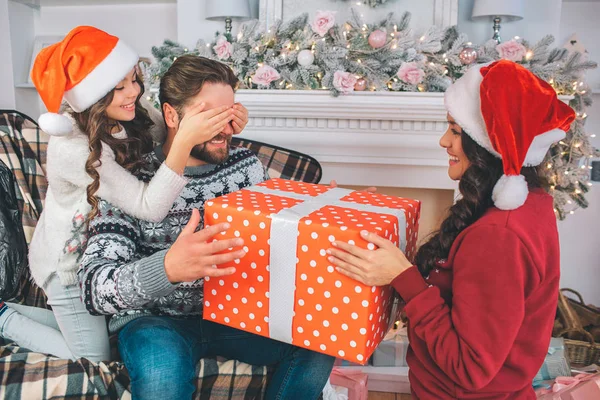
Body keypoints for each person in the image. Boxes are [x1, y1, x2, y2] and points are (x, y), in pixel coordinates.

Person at [78, 54, 335, 400]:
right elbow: (93, 286)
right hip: (156, 322)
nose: (226, 128)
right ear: (171, 116)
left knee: (320, 338)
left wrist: (324, 213)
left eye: (229, 114)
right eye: (210, 115)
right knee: (161, 380)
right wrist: (167, 268)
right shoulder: (130, 179)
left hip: (236, 316)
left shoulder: (247, 168)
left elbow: (282, 236)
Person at [327, 60, 575, 399]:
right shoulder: (527, 204)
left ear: (490, 144)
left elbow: (469, 368)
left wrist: (404, 278)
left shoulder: (498, 235)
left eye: (456, 131)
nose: (444, 141)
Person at [0, 26, 249, 362]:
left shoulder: (130, 110)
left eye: (134, 78)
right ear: (95, 97)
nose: (134, 91)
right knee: (96, 358)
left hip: (105, 248)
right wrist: (188, 140)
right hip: (70, 265)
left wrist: (223, 124)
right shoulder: (73, 149)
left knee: (101, 337)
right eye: (119, 88)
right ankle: (5, 318)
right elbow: (149, 206)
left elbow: (175, 129)